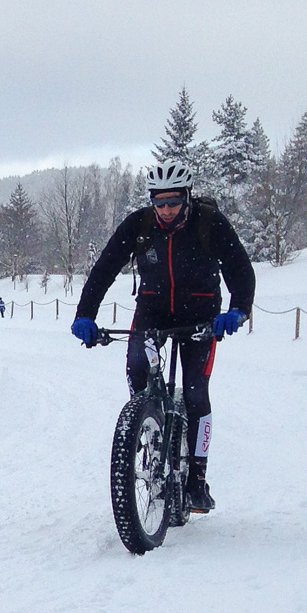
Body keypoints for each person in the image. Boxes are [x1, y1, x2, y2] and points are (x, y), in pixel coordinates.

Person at [69, 163, 254, 512]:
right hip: (153, 310)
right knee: (138, 367)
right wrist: (85, 314)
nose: (166, 209)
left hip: (201, 314)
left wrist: (238, 310)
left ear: (186, 197)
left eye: (173, 201)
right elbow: (105, 268)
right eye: (160, 202)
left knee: (197, 393)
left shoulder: (209, 223)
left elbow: (239, 269)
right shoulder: (139, 225)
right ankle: (149, 425)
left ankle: (197, 480)